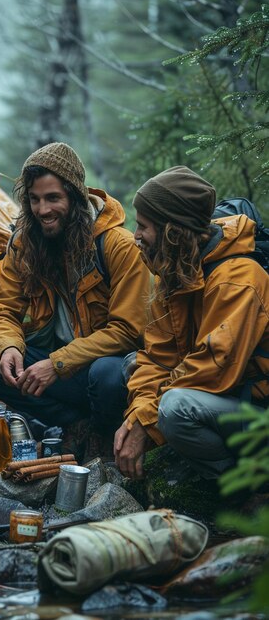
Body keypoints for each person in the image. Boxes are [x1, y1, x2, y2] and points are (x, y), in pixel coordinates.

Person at [0, 142, 150, 437]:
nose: (43, 210)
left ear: (75, 196)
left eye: (53, 198)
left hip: (101, 369)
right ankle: (75, 425)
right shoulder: (26, 244)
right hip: (55, 369)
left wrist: (58, 362)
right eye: (35, 200)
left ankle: (105, 433)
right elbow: (1, 308)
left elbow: (128, 330)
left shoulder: (118, 245)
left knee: (108, 374)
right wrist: (9, 346)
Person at [114, 166, 269, 481]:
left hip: (257, 404)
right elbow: (157, 357)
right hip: (227, 400)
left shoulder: (238, 278)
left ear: (173, 230)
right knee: (132, 365)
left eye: (144, 226)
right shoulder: (175, 269)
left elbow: (213, 368)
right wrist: (137, 417)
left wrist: (147, 423)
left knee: (174, 408)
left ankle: (246, 482)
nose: (136, 235)